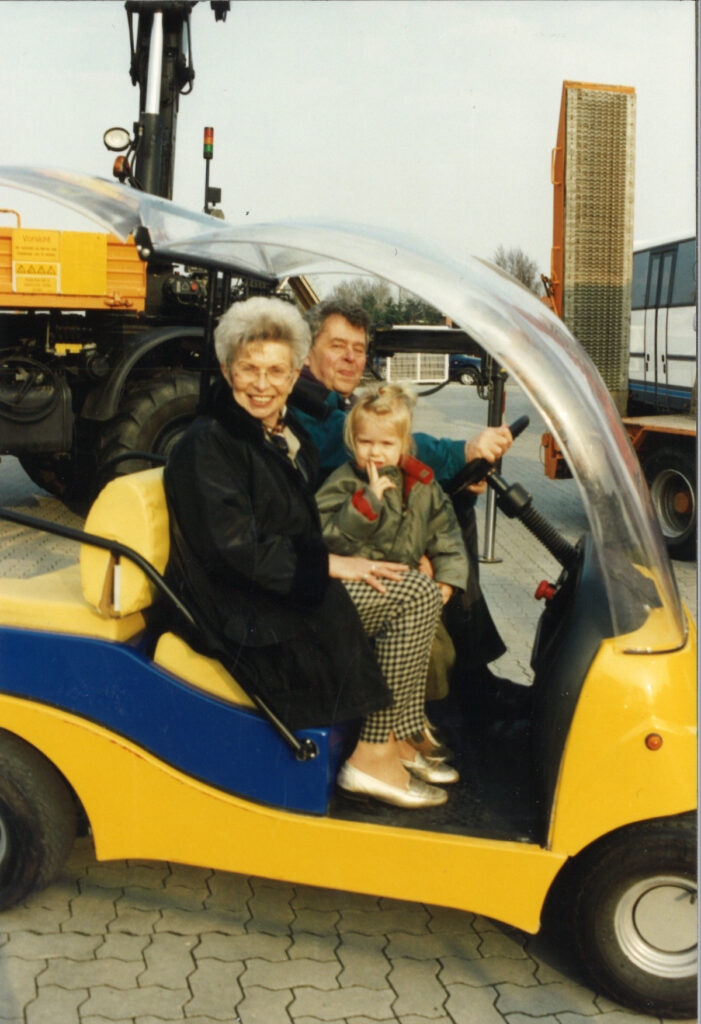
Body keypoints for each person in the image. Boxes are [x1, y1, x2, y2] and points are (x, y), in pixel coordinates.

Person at [163, 296, 449, 810]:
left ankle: (397, 738)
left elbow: (305, 524)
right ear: (227, 370)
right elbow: (234, 550)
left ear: (296, 375)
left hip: (281, 584)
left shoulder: (283, 434)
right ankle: (372, 756)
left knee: (417, 586)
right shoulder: (207, 444)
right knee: (411, 596)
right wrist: (331, 565)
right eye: (249, 369)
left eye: (276, 370)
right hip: (245, 609)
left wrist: (369, 554)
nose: (262, 384)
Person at [290, 299, 525, 741]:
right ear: (306, 352)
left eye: (359, 348)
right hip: (341, 551)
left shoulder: (333, 402)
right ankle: (464, 690)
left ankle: (471, 678)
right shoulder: (314, 412)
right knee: (444, 524)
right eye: (337, 346)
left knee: (451, 510)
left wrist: (457, 476)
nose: (351, 357)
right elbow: (389, 448)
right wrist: (462, 452)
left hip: (361, 534)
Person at [316, 383, 468, 789]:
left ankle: (402, 732)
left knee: (440, 650)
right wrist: (364, 506)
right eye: (365, 442)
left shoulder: (421, 486)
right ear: (353, 441)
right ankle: (390, 739)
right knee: (415, 624)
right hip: (363, 587)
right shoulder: (345, 483)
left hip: (403, 587)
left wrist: (448, 579)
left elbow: (446, 535)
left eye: (386, 443)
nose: (375, 453)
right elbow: (323, 537)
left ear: (404, 443)